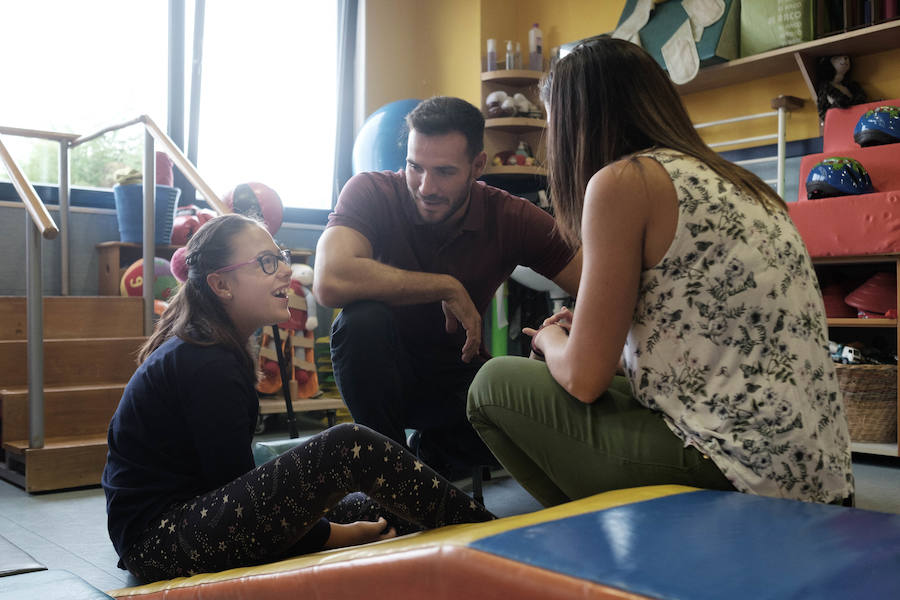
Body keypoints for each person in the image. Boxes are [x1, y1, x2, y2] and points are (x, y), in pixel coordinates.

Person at [467, 36, 854, 508]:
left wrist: (549, 342)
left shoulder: (623, 181)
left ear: (575, 124)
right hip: (817, 473)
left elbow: (583, 379)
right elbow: (702, 343)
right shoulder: (742, 182)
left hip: (743, 475)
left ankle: (593, 543)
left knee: (492, 386)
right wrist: (600, 340)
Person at [102, 214, 494, 583]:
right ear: (221, 285)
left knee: (385, 504)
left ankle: (484, 535)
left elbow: (246, 498)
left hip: (196, 523)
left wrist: (346, 527)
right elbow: (244, 503)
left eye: (281, 257)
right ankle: (493, 540)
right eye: (267, 262)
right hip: (161, 541)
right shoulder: (205, 361)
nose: (286, 270)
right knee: (347, 445)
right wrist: (345, 536)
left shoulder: (215, 349)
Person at [313, 96, 581, 479]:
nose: (425, 186)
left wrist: (567, 328)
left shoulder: (509, 215)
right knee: (361, 322)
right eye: (414, 167)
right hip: (379, 371)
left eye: (444, 172)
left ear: (477, 166)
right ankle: (389, 479)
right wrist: (446, 287)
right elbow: (330, 279)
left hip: (456, 374)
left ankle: (426, 468)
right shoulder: (371, 190)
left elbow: (597, 282)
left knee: (522, 409)